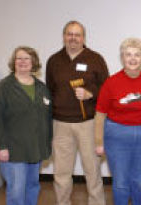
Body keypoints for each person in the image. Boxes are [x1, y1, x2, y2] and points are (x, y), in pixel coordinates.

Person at [46, 20, 109, 205]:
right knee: (61, 173)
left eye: (77, 34)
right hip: (60, 125)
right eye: (69, 34)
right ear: (64, 36)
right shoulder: (54, 60)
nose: (73, 38)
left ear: (84, 37)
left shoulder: (95, 59)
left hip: (88, 123)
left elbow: (107, 91)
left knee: (93, 171)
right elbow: (49, 91)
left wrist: (91, 93)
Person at [94, 38, 141, 205]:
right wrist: (99, 142)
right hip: (117, 136)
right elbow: (100, 115)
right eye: (128, 54)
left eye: (137, 54)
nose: (133, 58)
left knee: (139, 183)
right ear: (122, 57)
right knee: (121, 184)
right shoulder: (111, 82)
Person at [0, 46, 52, 205]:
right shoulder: (3, 88)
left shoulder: (41, 88)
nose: (23, 62)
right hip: (13, 150)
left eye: (27, 58)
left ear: (33, 62)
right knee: (16, 191)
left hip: (35, 149)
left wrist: (47, 145)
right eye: (19, 58)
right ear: (14, 62)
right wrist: (1, 146)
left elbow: (47, 119)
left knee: (32, 186)